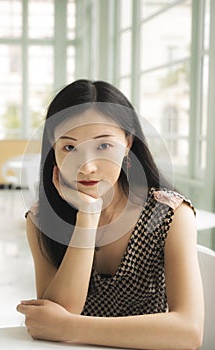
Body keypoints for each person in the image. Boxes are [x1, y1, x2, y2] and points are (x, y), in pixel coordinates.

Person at [17, 79, 204, 349]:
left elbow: (188, 333)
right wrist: (87, 217)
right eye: (69, 147)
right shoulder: (40, 219)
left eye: (103, 146)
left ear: (128, 142)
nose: (87, 167)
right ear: (53, 151)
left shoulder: (170, 215)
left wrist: (69, 327)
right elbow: (58, 314)